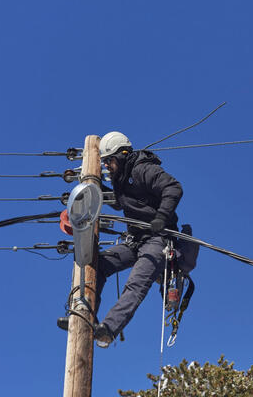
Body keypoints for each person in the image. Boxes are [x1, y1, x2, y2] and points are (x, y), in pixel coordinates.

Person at [59, 131, 196, 348]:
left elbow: (173, 187)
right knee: (97, 264)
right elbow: (119, 203)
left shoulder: (142, 169)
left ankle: (109, 329)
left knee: (136, 282)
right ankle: (83, 316)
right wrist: (94, 188)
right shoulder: (120, 179)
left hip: (158, 239)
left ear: (122, 155)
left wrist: (161, 217)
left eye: (109, 161)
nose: (106, 166)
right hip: (136, 240)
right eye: (103, 162)